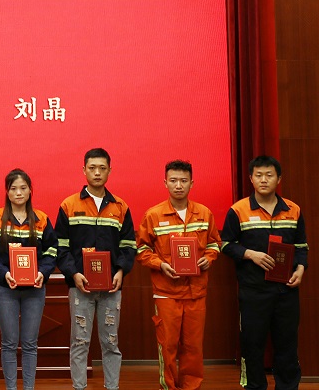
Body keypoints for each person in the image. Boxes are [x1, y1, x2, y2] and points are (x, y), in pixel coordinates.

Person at [221, 155, 308, 390]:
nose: (263, 180)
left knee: (287, 345)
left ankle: (287, 386)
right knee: (252, 345)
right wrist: (251, 254)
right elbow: (225, 244)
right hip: (253, 292)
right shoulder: (238, 210)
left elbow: (301, 247)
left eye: (269, 175)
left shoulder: (293, 210)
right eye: (258, 175)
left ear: (279, 179)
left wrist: (300, 269)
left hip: (286, 291)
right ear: (251, 179)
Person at [54, 148, 136, 390]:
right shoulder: (69, 205)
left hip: (112, 288)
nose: (97, 173)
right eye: (92, 168)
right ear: (84, 170)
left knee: (111, 343)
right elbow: (60, 246)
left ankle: (112, 387)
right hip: (80, 287)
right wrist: (73, 273)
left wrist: (121, 271)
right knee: (79, 342)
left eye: (102, 168)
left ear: (110, 170)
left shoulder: (120, 207)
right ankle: (79, 387)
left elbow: (129, 245)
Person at [136, 160, 221, 390]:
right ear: (165, 183)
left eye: (184, 181)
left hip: (196, 291)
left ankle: (191, 387)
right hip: (166, 292)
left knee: (193, 347)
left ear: (192, 183)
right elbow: (142, 250)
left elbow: (214, 244)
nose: (178, 185)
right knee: (168, 346)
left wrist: (209, 258)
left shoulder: (204, 213)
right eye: (173, 180)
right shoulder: (153, 215)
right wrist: (160, 265)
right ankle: (169, 387)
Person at [0, 169, 58, 390]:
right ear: (7, 191)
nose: (18, 193)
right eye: (13, 188)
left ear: (30, 190)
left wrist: (42, 273)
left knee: (30, 343)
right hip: (6, 289)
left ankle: (29, 388)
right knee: (9, 342)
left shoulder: (41, 219)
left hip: (35, 289)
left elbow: (52, 251)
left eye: (23, 188)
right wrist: (4, 273)